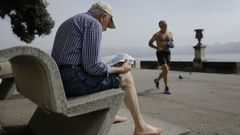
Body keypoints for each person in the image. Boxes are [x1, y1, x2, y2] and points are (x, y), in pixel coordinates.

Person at [51, 2, 163, 135]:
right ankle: (141, 127)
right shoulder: (93, 24)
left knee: (108, 72)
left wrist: (109, 68)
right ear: (104, 16)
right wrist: (121, 69)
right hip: (73, 81)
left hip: (59, 79)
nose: (106, 28)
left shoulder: (71, 21)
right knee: (126, 77)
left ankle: (108, 114)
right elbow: (92, 67)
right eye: (108, 23)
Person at [148, 20, 174, 94]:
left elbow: (172, 41)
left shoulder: (170, 33)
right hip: (160, 53)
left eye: (166, 25)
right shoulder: (157, 34)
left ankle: (157, 80)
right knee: (165, 69)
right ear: (160, 26)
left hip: (168, 53)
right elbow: (149, 43)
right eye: (164, 25)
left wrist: (171, 44)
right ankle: (166, 88)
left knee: (166, 71)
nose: (165, 27)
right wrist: (157, 48)